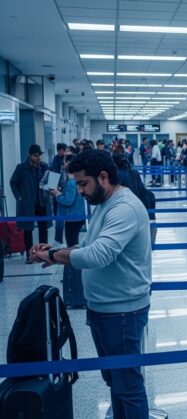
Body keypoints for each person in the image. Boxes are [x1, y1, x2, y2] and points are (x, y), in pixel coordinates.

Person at [29, 149, 152, 419]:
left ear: (104, 177)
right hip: (104, 309)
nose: (81, 191)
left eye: (84, 183)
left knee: (128, 387)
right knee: (115, 382)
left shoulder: (124, 208)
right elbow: (89, 246)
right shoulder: (104, 205)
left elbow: (98, 254)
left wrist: (53, 256)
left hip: (122, 313)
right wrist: (59, 249)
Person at [10, 144, 52, 262]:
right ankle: (30, 256)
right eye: (35, 155)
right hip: (28, 203)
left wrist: (51, 191)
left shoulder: (44, 166)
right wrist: (19, 197)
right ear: (30, 156)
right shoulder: (21, 168)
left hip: (42, 202)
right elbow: (13, 182)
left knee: (43, 229)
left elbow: (50, 182)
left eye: (39, 155)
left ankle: (44, 254)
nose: (38, 158)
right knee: (28, 229)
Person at [48, 154, 85, 248]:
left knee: (72, 243)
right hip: (78, 215)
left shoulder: (71, 183)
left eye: (64, 161)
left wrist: (57, 194)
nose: (63, 164)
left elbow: (68, 200)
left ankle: (72, 261)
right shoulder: (77, 180)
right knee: (73, 242)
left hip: (72, 216)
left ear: (68, 163)